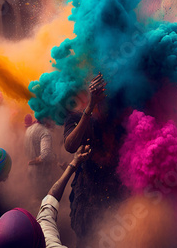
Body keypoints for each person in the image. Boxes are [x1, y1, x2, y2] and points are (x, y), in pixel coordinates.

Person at [63, 73, 126, 244]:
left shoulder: (119, 118)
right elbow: (70, 145)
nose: (104, 97)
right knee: (86, 240)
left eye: (106, 92)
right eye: (99, 92)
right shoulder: (78, 116)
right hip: (88, 196)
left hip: (116, 196)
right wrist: (90, 107)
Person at [0, 144, 91, 248]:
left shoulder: (42, 236)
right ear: (37, 235)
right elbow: (50, 200)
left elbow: (50, 201)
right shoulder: (47, 240)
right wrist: (74, 163)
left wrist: (73, 163)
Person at [25, 117, 57, 200]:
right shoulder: (45, 132)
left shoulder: (29, 129)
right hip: (43, 175)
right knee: (43, 201)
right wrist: (54, 157)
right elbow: (46, 155)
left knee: (35, 199)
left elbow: (25, 150)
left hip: (31, 171)